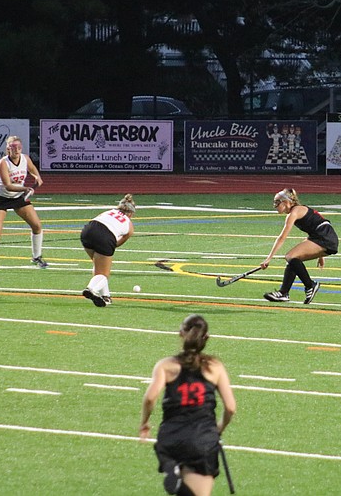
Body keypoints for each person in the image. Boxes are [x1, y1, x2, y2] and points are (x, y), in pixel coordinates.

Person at [140, 314, 236, 496]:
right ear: (206, 338)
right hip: (203, 438)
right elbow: (230, 407)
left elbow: (150, 398)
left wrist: (144, 422)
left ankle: (172, 471)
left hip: (171, 438)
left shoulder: (166, 365)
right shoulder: (215, 367)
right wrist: (219, 428)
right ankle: (178, 486)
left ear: (181, 334)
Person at [261, 188, 339, 304]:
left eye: (277, 202)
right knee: (293, 260)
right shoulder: (299, 210)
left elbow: (282, 237)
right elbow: (317, 227)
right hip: (325, 238)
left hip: (324, 238)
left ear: (286, 202)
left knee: (290, 256)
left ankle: (310, 285)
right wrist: (320, 255)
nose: (275, 206)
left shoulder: (294, 213)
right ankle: (284, 293)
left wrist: (269, 258)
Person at [0, 135, 47, 272]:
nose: (16, 150)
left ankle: (36, 257)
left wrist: (37, 176)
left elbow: (32, 168)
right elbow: (8, 186)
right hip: (1, 198)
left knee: (37, 226)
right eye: (13, 147)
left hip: (18, 197)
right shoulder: (3, 163)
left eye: (18, 147)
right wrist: (26, 189)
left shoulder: (25, 158)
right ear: (8, 149)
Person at [80, 194, 135, 307]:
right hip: (105, 236)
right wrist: (107, 249)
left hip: (87, 231)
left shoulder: (109, 211)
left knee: (98, 265)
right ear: (131, 213)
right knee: (104, 274)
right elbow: (117, 243)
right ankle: (91, 288)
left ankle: (106, 297)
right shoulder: (129, 224)